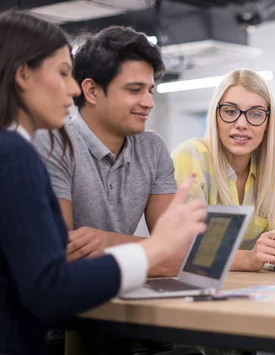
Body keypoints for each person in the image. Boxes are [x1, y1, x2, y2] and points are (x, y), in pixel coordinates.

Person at [0, 10, 206, 354]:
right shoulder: (17, 152)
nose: (71, 88)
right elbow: (52, 287)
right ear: (23, 74)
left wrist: (110, 242)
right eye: (64, 73)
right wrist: (153, 249)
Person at [33, 26, 182, 276]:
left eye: (150, 91)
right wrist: (153, 250)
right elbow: (63, 253)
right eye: (135, 90)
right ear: (91, 91)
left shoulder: (152, 148)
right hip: (67, 303)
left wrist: (109, 241)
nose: (148, 103)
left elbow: (178, 250)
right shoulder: (53, 141)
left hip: (119, 287)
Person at [171, 69, 275, 272]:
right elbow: (182, 248)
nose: (241, 124)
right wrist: (248, 258)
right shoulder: (191, 155)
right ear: (215, 116)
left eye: (255, 114)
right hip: (194, 285)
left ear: (267, 123)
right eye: (230, 111)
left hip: (248, 287)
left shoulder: (271, 165)